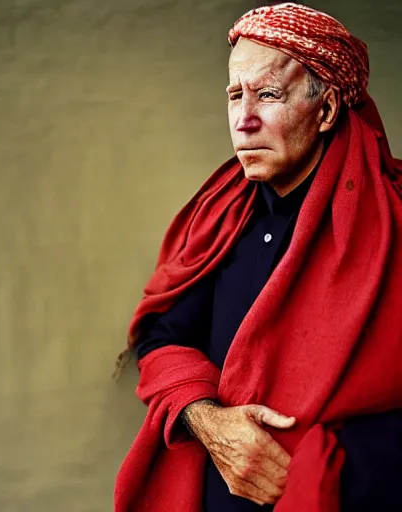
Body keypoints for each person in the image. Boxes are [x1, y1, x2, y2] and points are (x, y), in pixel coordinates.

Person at [114, 3, 402, 512]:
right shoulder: (220, 215)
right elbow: (162, 339)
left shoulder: (394, 218)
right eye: (234, 95)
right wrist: (210, 422)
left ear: (328, 110)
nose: (244, 120)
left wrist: (318, 465)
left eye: (268, 94)